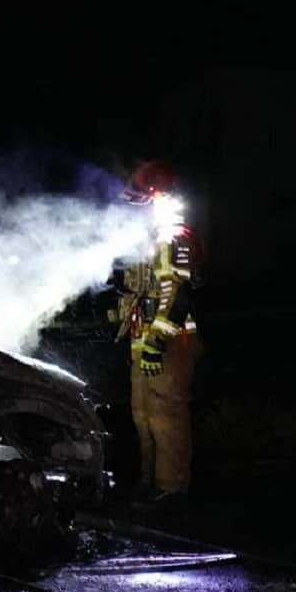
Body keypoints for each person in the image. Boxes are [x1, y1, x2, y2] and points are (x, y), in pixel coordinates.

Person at [113, 160, 205, 514]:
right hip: (145, 340)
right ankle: (148, 482)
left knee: (166, 414)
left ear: (161, 200)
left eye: (141, 203)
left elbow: (178, 298)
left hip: (172, 343)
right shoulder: (149, 242)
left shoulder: (176, 239)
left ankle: (172, 489)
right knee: (143, 413)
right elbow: (136, 291)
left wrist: (156, 343)